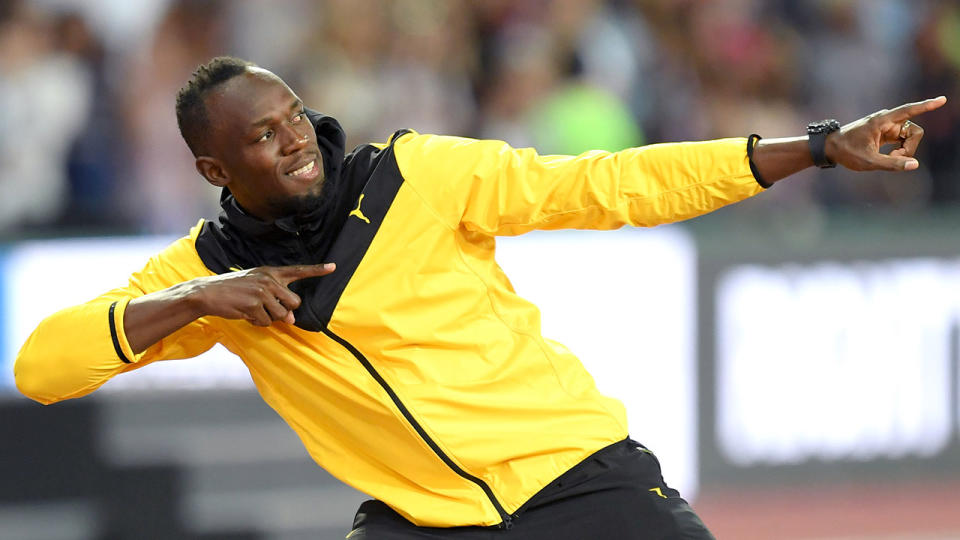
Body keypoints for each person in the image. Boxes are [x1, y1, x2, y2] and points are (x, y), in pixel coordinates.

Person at [13, 56, 946, 539]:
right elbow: (41, 366)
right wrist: (201, 300)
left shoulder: (417, 175)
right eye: (262, 137)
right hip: (425, 520)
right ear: (215, 167)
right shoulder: (208, 272)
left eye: (294, 116)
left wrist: (815, 146)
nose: (294, 140)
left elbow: (610, 184)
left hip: (579, 479)